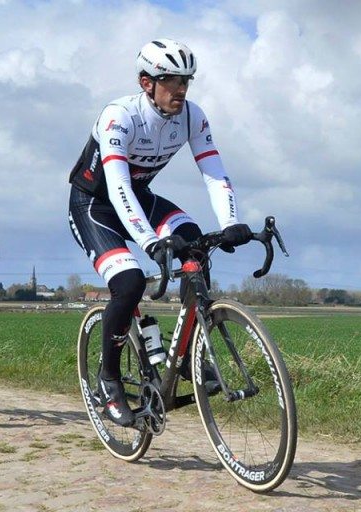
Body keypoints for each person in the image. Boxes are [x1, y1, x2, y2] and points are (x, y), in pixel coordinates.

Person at [67, 38, 253, 426]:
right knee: (130, 281)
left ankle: (186, 356)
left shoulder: (192, 116)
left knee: (197, 247)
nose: (181, 89)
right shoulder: (119, 116)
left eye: (186, 80)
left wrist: (231, 222)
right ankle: (109, 379)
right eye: (170, 80)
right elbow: (117, 187)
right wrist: (150, 241)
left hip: (140, 197)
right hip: (95, 205)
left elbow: (215, 172)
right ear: (146, 82)